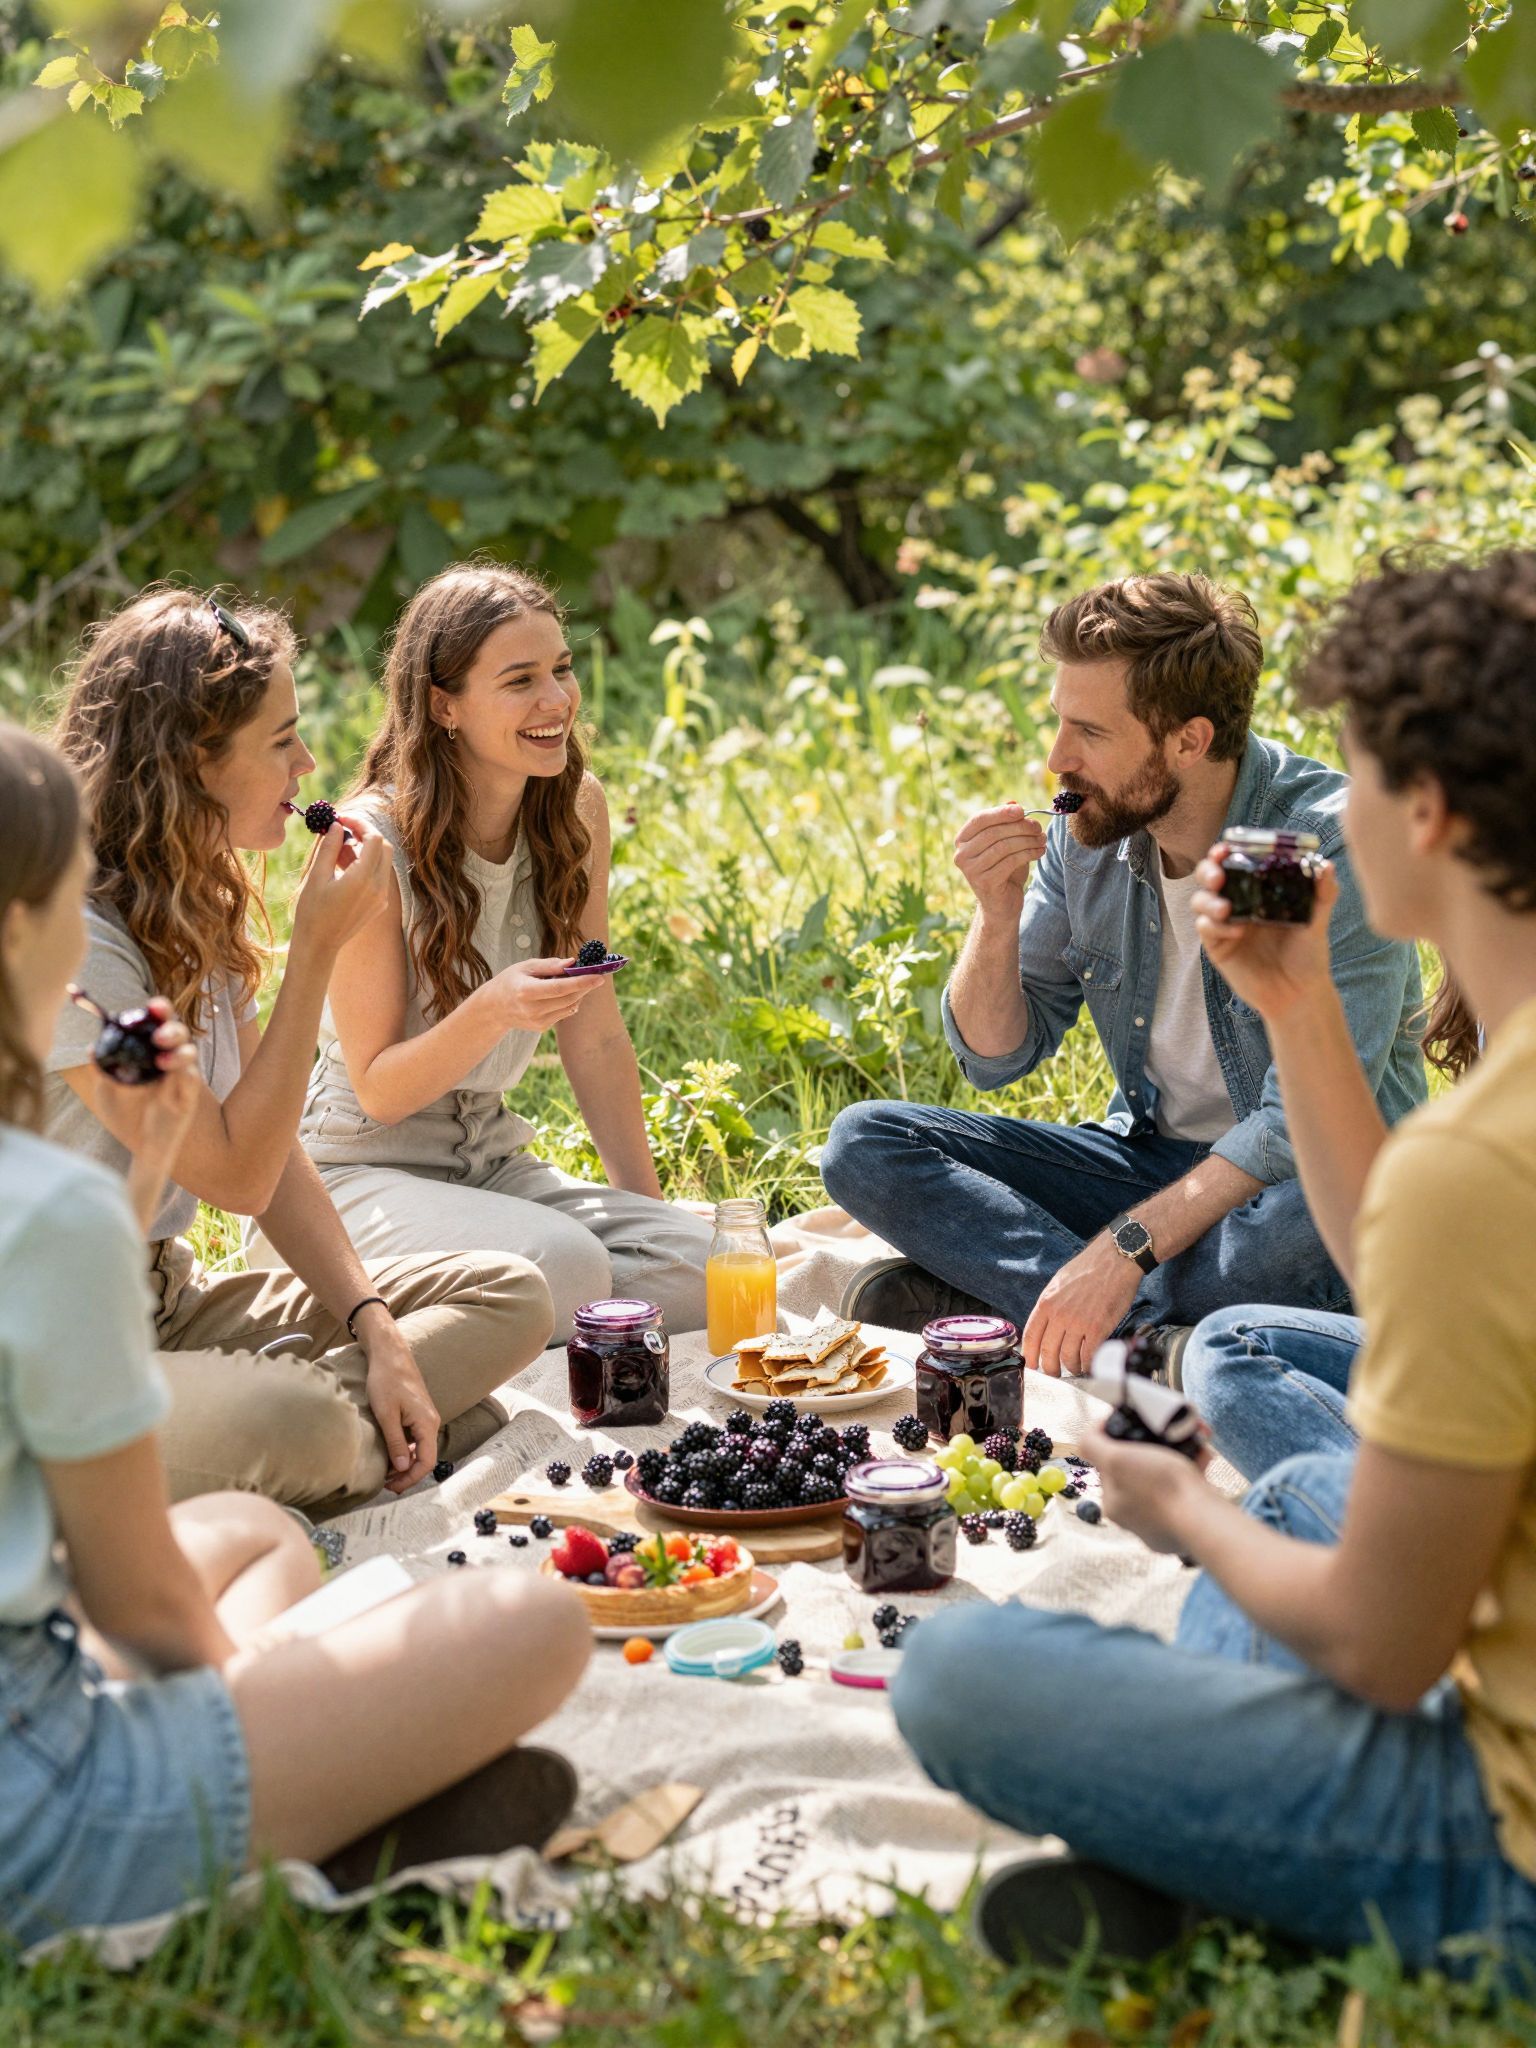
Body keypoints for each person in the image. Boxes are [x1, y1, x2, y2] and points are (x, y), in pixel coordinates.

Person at [892, 552, 1536, 1971]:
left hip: (1503, 1833)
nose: (1324, 805)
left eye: (1355, 773)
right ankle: (1216, 1848)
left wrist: (1186, 1513)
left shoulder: (1474, 1165)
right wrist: (1298, 1012)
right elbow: (1410, 1262)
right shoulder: (1491, 1123)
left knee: (958, 1671)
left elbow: (1383, 1648)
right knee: (1306, 1478)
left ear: (1423, 817)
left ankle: (1221, 1866)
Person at [0, 726, 590, 1951]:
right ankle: (306, 1811)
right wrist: (271, 1705)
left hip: (124, 1346)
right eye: (65, 898)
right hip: (46, 1807)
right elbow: (140, 1597)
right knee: (537, 1620)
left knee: (262, 1526)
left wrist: (163, 1158)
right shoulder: (41, 1190)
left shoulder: (187, 941)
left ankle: (335, 1457)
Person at [821, 572, 1426, 1374]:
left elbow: (1287, 1128)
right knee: (865, 1143)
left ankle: (1036, 1300)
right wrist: (993, 919)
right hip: (1146, 1160)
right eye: (1058, 725)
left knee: (1308, 1235)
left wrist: (1119, 1252)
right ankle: (1139, 1338)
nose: (1055, 761)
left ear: (1189, 739)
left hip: (1296, 1188)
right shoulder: (1093, 831)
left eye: (1090, 734)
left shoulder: (1295, 845)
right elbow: (999, 1058)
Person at [46, 587, 555, 1513]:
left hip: (167, 1302)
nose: (309, 764)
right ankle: (359, 1440)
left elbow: (272, 1153)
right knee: (300, 1421)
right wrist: (315, 951)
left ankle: (350, 1434)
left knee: (512, 1294)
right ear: (193, 761)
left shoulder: (192, 895)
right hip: (62, 1351)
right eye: (281, 740)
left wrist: (377, 1330)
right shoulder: (76, 942)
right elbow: (232, 1178)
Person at [245, 561, 711, 1344]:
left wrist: (648, 1215)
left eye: (561, 670)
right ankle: (338, 1289)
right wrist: (493, 1009)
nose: (558, 701)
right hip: (356, 1173)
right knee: (565, 1268)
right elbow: (381, 1091)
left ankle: (484, 1305)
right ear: (444, 705)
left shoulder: (575, 812)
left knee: (705, 1263)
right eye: (521, 680)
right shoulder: (370, 843)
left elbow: (594, 1036)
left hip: (489, 1161)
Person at [1179, 925, 1479, 1478]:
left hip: (1494, 1371)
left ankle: (1377, 1509)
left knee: (1228, 1348)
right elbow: (1386, 1278)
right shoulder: (1489, 997)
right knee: (1224, 1351)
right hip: (1461, 1334)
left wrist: (1188, 1512)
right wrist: (1299, 1001)